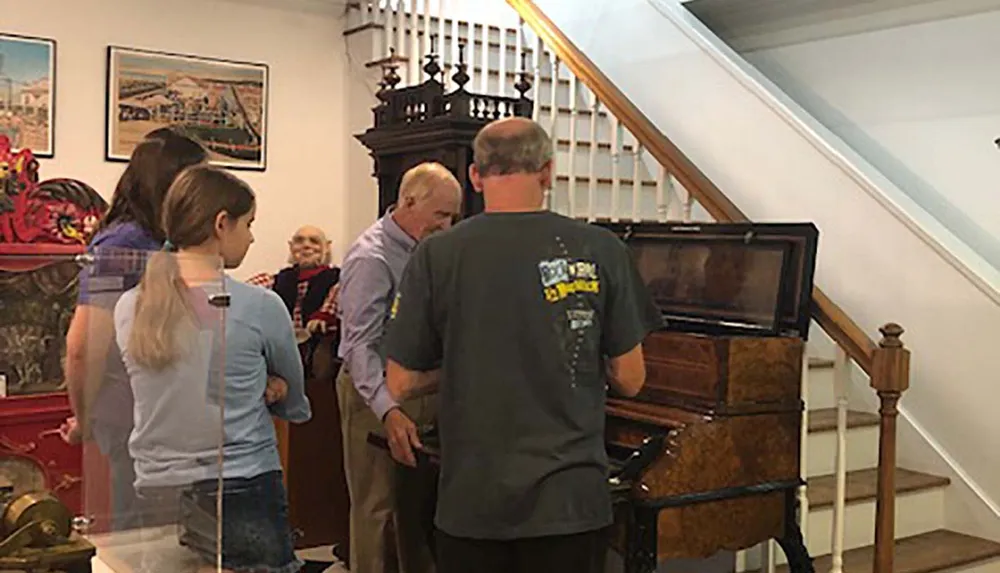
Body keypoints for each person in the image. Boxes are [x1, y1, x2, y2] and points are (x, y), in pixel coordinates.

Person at [383, 117, 662, 573]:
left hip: (472, 499)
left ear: (475, 175)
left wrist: (468, 361)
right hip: (568, 501)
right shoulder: (601, 249)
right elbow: (631, 379)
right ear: (549, 171)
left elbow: (401, 382)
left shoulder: (436, 255)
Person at [113, 164, 311, 573]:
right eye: (249, 224)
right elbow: (295, 402)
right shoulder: (259, 306)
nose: (253, 236)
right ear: (222, 224)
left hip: (155, 488)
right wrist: (270, 387)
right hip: (241, 485)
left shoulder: (130, 306)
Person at [61, 131, 207, 531]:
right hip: (128, 415)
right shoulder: (124, 242)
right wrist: (85, 416)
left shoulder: (157, 240)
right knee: (136, 539)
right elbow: (84, 344)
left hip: (155, 414)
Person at [336, 162, 462, 573]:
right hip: (374, 392)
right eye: (440, 215)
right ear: (408, 202)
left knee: (417, 514)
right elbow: (358, 346)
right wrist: (387, 410)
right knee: (378, 510)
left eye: (453, 217)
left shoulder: (431, 250)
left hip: (421, 389)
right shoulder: (371, 257)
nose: (446, 225)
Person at [246, 225, 340, 346]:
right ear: (291, 247)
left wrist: (323, 317)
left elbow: (333, 300)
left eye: (314, 241)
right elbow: (243, 292)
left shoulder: (337, 279)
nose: (306, 245)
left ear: (327, 247)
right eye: (299, 241)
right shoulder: (278, 279)